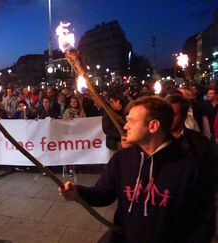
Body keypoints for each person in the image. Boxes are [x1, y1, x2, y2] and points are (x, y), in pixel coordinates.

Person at [59, 96, 215, 243]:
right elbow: (103, 193)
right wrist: (78, 193)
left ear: (153, 126)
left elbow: (203, 224)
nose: (126, 126)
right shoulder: (122, 159)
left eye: (132, 121)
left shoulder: (189, 169)